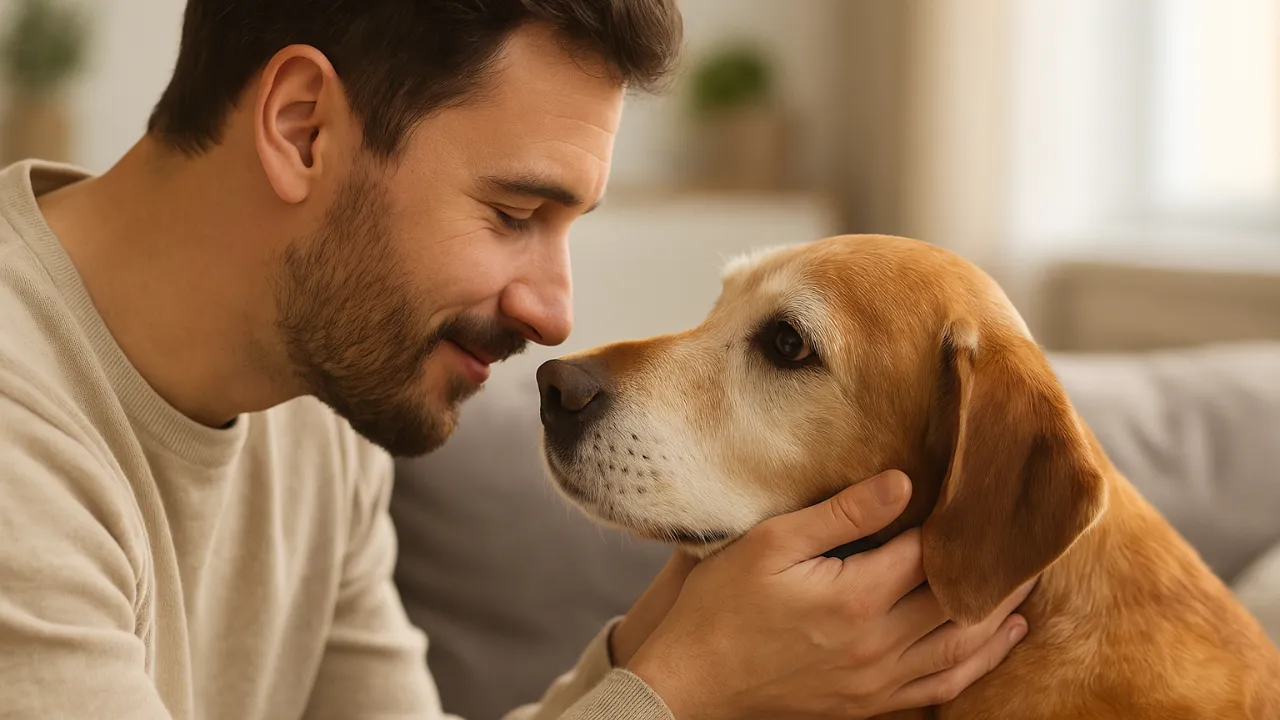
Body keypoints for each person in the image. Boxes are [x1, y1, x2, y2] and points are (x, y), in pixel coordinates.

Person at [0, 1, 1033, 718]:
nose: (555, 312)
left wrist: (657, 649)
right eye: (512, 212)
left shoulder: (320, 391)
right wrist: (691, 684)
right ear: (302, 127)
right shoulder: (20, 434)